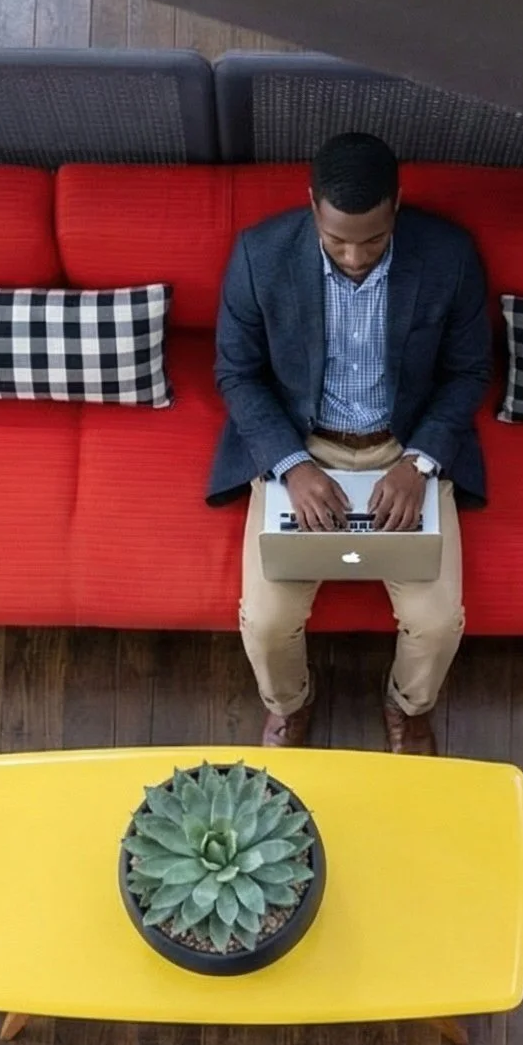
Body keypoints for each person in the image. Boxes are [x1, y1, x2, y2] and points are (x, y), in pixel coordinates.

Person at [207, 133, 491, 754]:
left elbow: (469, 372)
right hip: (303, 446)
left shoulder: (448, 256)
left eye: (373, 240)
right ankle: (290, 706)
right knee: (266, 620)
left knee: (437, 622)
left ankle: (408, 708)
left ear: (396, 206)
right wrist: (291, 467)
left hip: (405, 447)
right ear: (313, 206)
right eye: (337, 241)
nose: (355, 257)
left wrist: (419, 463)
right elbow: (236, 372)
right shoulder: (259, 255)